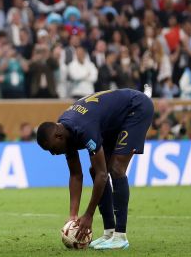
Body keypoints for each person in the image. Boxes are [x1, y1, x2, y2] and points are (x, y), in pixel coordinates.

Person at [36, 89, 154, 250]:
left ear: (58, 137)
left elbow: (102, 175)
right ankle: (109, 232)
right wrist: (73, 215)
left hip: (135, 108)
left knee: (116, 169)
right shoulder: (64, 129)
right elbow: (76, 175)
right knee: (95, 170)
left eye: (52, 148)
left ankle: (120, 236)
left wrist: (89, 215)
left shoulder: (83, 128)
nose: (53, 153)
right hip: (112, 121)